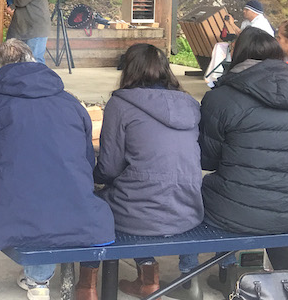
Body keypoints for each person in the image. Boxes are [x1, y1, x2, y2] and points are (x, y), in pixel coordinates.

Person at [0, 39, 115, 300]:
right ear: (34, 63)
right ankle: (38, 281)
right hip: (71, 208)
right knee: (53, 188)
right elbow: (86, 164)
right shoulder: (71, 104)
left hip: (12, 207)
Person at [76, 44, 203, 300]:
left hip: (140, 214)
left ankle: (87, 286)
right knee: (138, 194)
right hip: (187, 210)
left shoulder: (120, 104)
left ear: (129, 70)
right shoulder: (190, 105)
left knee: (91, 204)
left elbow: (109, 168)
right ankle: (148, 278)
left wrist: (88, 176)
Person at [200, 28, 288, 289]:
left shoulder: (221, 97)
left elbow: (207, 160)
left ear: (239, 55)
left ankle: (225, 277)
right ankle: (281, 277)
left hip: (236, 212)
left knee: (200, 188)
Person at [5, 0, 50, 65]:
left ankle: (37, 81)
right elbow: (21, 2)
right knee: (25, 60)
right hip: (28, 29)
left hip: (36, 30)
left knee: (34, 60)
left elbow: (21, 0)